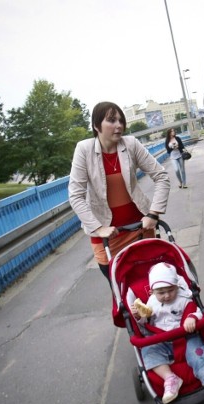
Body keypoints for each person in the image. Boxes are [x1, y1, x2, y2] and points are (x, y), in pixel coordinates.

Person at [68, 101, 170, 281]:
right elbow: (76, 196)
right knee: (121, 291)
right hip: (107, 236)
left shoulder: (130, 144)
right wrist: (99, 229)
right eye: (112, 120)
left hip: (140, 227)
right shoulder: (84, 150)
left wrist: (153, 214)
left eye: (121, 121)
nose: (119, 126)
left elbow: (161, 176)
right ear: (96, 125)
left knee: (152, 286)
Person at [130, 262, 204, 404]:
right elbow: (146, 322)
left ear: (177, 286)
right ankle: (170, 378)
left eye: (171, 290)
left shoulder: (183, 298)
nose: (167, 295)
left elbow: (195, 311)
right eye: (161, 292)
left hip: (186, 336)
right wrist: (139, 316)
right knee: (148, 351)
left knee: (200, 356)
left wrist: (191, 317)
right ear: (152, 291)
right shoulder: (151, 303)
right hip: (161, 339)